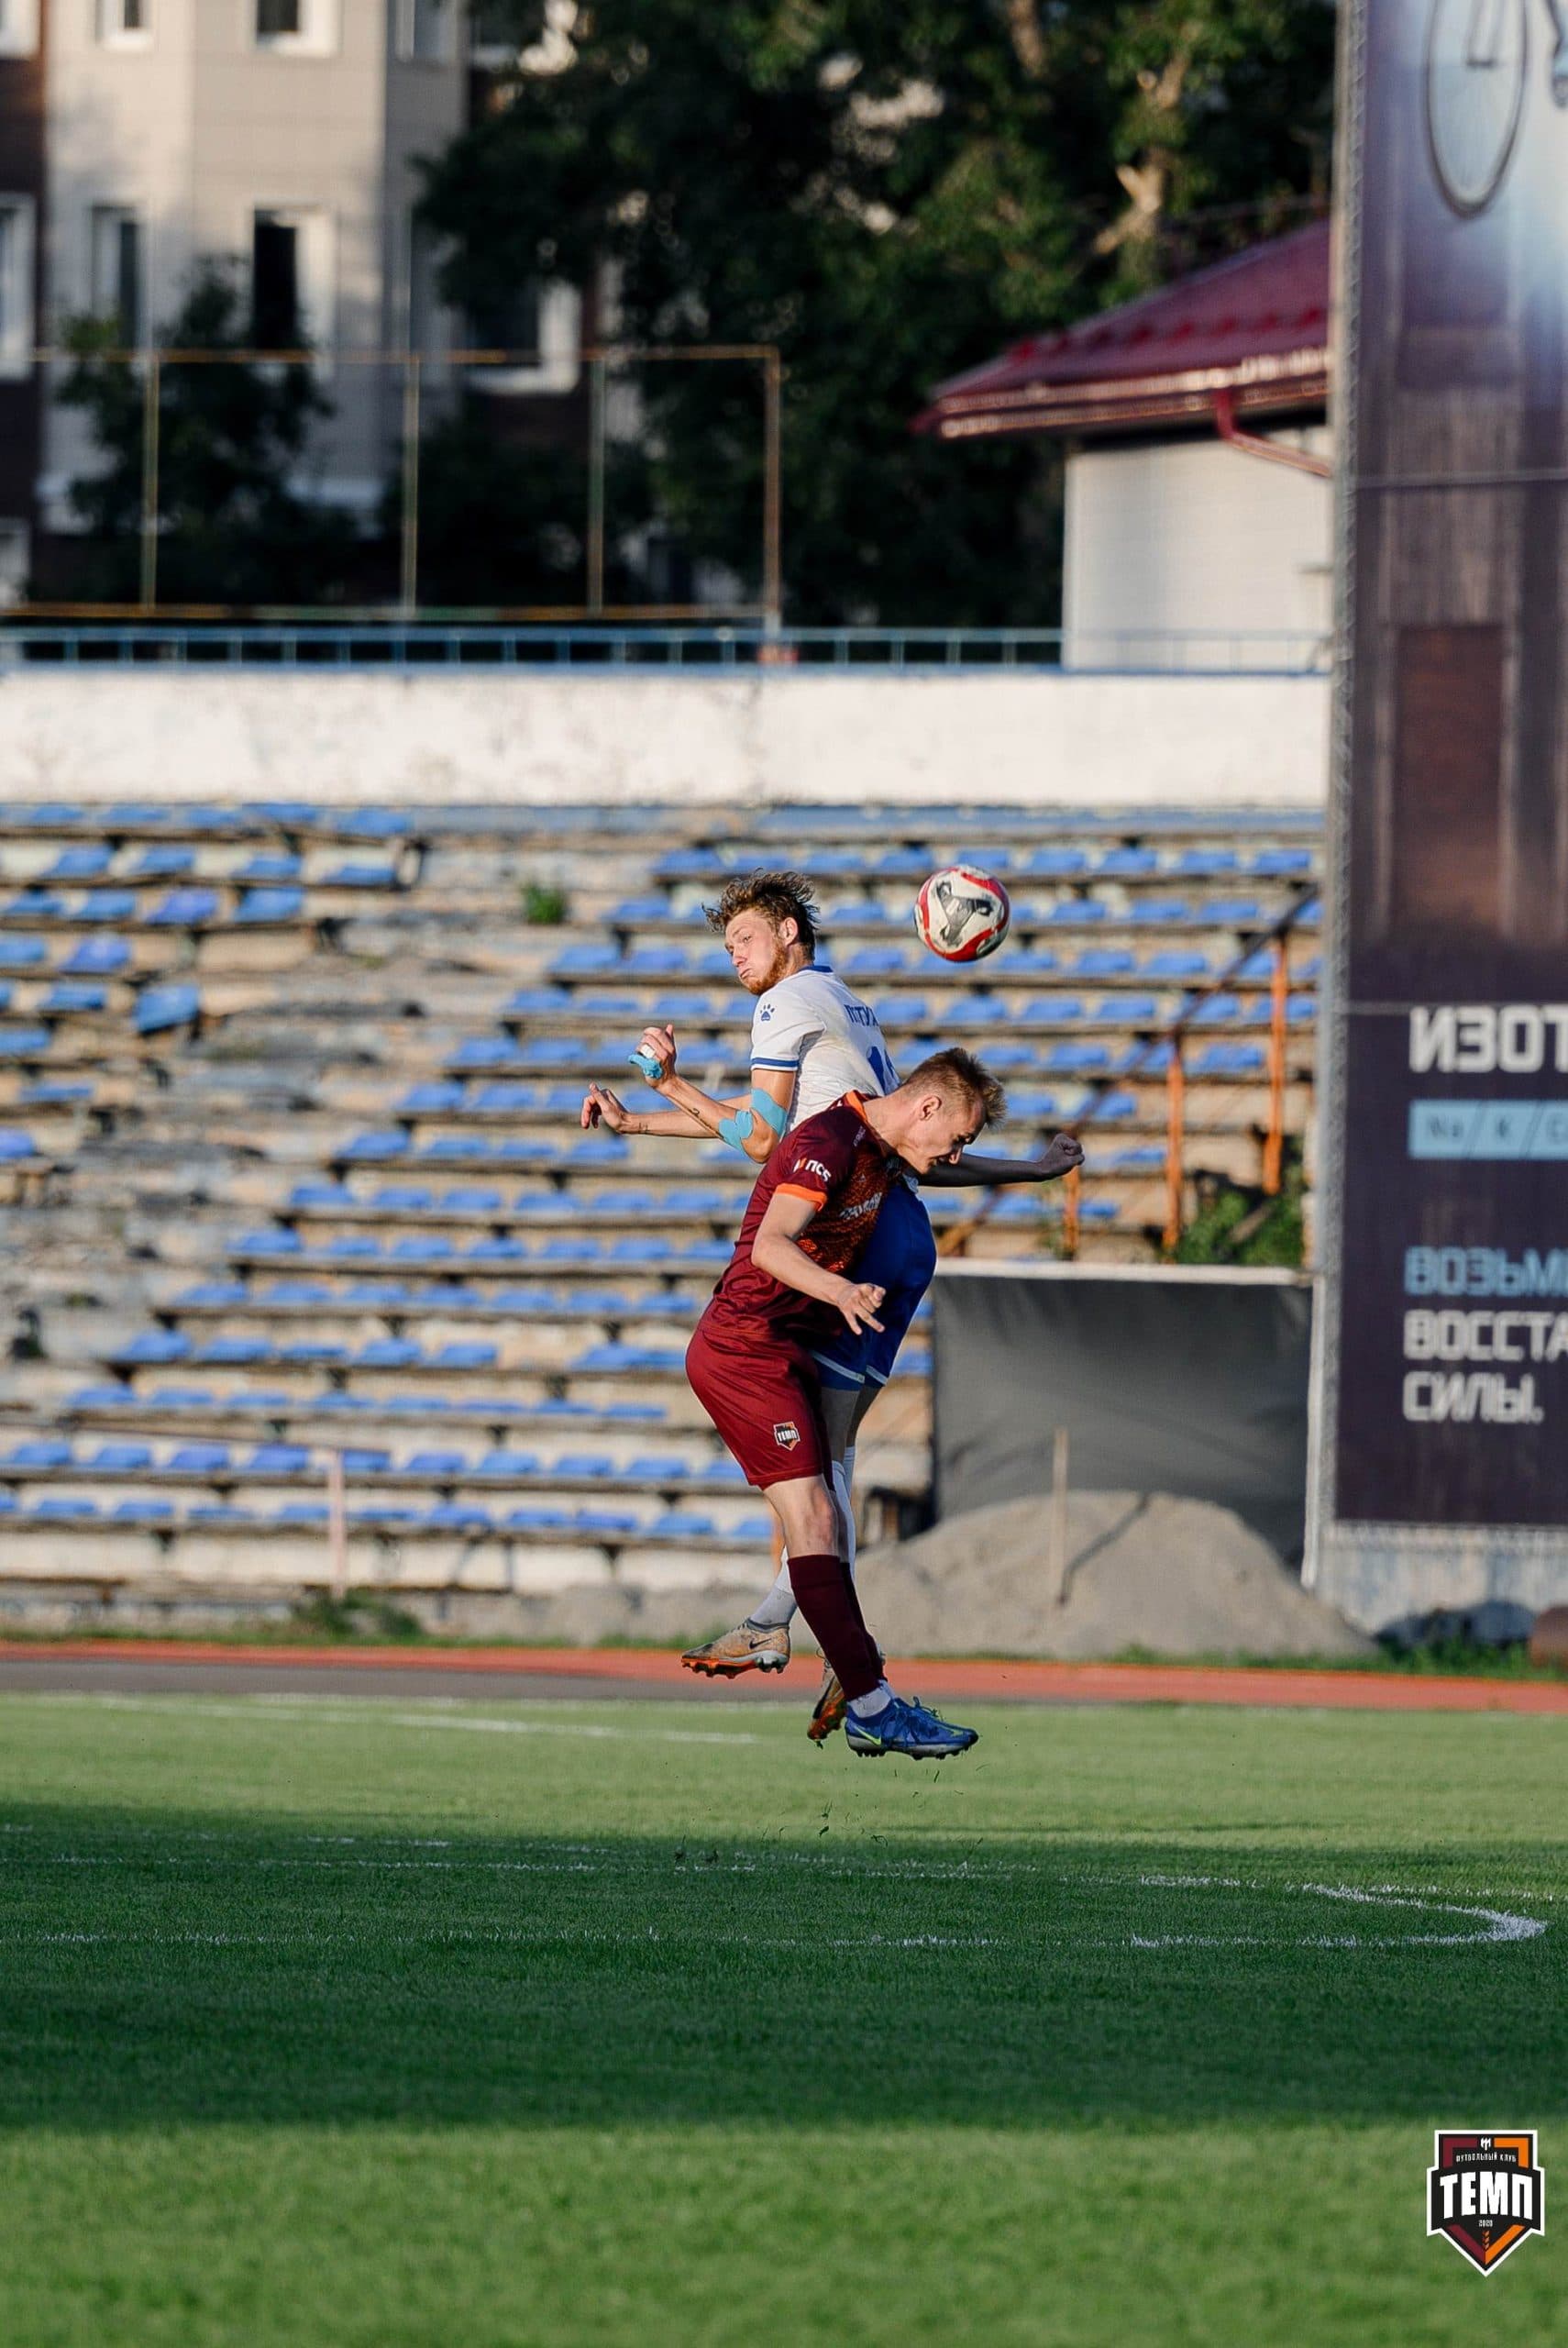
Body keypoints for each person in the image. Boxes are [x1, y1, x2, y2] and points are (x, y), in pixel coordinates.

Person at [580, 869, 1082, 1731]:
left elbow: (765, 1138)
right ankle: (804, 1634)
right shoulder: (845, 1003)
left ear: (784, 929)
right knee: (822, 1456)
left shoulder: (782, 1005)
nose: (734, 959)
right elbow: (897, 1138)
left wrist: (668, 1085)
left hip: (856, 1238)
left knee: (822, 1468)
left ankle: (810, 1644)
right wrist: (639, 1125)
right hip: (892, 1226)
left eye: (741, 940)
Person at [682, 1050, 1002, 1760]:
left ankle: (822, 1659)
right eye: (957, 1138)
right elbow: (770, 1245)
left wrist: (1033, 1171)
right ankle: (868, 1700)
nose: (956, 1156)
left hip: (784, 1349)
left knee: (826, 1507)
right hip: (744, 1349)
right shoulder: (830, 1141)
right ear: (926, 1107)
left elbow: (953, 1169)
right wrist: (840, 1292)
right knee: (818, 1514)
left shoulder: (880, 1150)